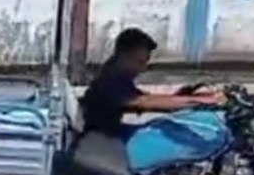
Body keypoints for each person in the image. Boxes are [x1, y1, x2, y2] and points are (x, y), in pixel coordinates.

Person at [80, 27, 224, 140]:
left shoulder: (116, 76)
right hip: (103, 143)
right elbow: (146, 102)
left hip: (108, 136)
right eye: (140, 62)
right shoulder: (110, 80)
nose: (142, 69)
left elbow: (148, 100)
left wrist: (184, 96)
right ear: (124, 55)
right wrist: (205, 100)